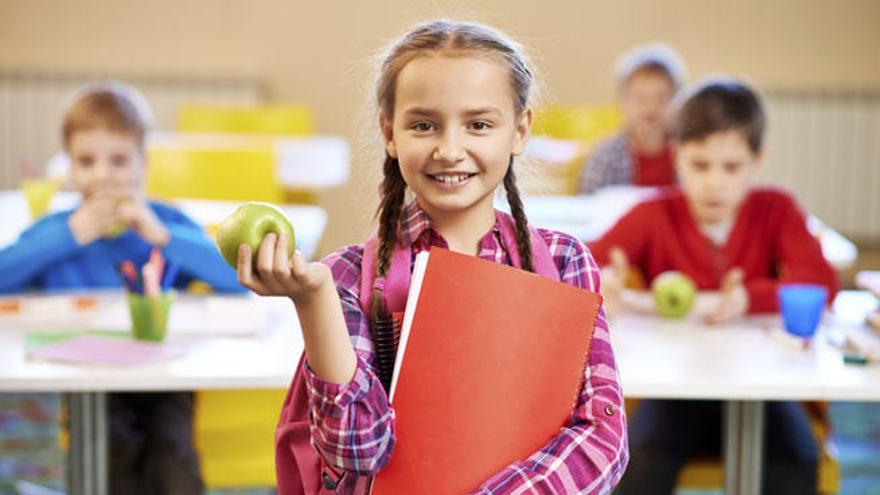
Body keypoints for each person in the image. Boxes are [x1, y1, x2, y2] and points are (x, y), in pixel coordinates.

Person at [236, 20, 629, 494]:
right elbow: (358, 450)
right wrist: (314, 300)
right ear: (390, 133)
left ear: (519, 130)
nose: (448, 149)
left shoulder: (565, 263)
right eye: (423, 125)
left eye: (478, 125)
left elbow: (603, 438)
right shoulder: (350, 275)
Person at [591, 77, 838, 495]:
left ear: (757, 161)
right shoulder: (654, 213)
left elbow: (821, 282)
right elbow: (579, 259)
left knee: (795, 462)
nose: (714, 182)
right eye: (699, 165)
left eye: (731, 167)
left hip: (764, 389)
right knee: (635, 461)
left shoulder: (776, 209)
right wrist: (602, 280)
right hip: (674, 391)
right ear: (677, 158)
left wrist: (749, 298)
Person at [0, 81, 244, 494]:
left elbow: (235, 279)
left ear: (142, 166)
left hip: (167, 376)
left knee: (172, 457)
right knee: (112, 458)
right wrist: (71, 235)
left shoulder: (165, 223)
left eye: (118, 160)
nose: (102, 175)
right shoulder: (58, 230)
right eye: (86, 161)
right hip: (91, 383)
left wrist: (161, 235)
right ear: (69, 168)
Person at [579, 43, 686, 194]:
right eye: (640, 98)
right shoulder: (605, 157)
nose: (650, 107)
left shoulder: (689, 152)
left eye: (661, 98)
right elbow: (590, 205)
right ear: (621, 102)